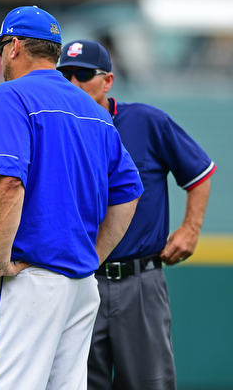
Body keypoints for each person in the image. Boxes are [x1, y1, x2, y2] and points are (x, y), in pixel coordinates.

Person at [0, 6, 145, 390]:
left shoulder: (11, 96)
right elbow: (129, 192)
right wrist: (92, 258)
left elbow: (10, 183)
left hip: (27, 277)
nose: (0, 56)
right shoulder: (93, 110)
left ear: (14, 46)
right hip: (81, 285)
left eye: (1, 46)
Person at [57, 39, 217, 390]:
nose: (73, 84)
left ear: (108, 81)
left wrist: (190, 229)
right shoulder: (56, 129)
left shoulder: (145, 120)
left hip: (138, 279)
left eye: (83, 74)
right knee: (78, 383)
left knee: (150, 383)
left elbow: (200, 172)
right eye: (65, 74)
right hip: (81, 279)